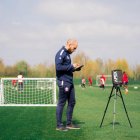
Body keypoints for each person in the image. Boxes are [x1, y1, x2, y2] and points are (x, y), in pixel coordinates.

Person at [55, 39, 82, 131]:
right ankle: (59, 125)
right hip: (63, 82)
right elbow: (58, 67)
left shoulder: (67, 54)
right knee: (61, 103)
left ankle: (69, 123)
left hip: (69, 81)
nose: (74, 50)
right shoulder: (61, 53)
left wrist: (75, 68)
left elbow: (66, 68)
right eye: (74, 48)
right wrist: (71, 66)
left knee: (72, 102)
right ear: (69, 44)